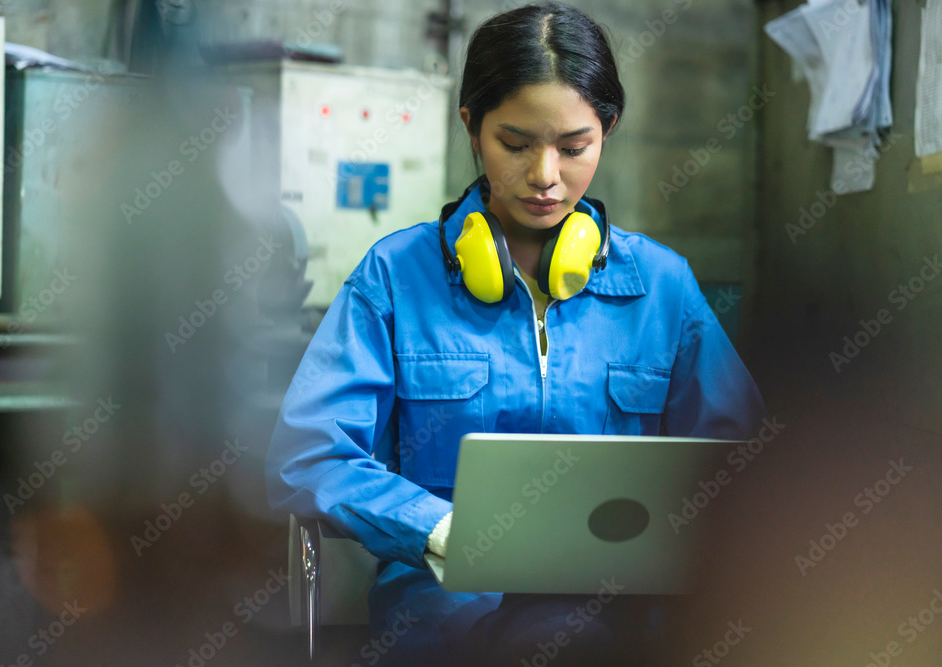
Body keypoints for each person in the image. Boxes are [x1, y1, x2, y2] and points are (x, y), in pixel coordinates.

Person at [266, 2, 765, 665]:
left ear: (608, 128)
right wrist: (436, 527)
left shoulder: (663, 286)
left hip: (627, 613)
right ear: (471, 125)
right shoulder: (395, 277)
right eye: (517, 142)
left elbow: (752, 463)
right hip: (447, 609)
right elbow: (306, 454)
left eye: (574, 145)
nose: (545, 176)